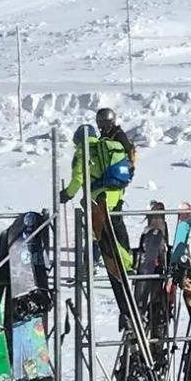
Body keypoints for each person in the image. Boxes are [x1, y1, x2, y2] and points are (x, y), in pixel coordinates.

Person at [61, 107, 136, 265]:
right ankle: (123, 259)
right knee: (114, 227)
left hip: (99, 196)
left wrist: (67, 194)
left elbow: (78, 179)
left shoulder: (84, 152)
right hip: (116, 192)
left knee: (97, 231)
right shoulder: (105, 145)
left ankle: (98, 262)